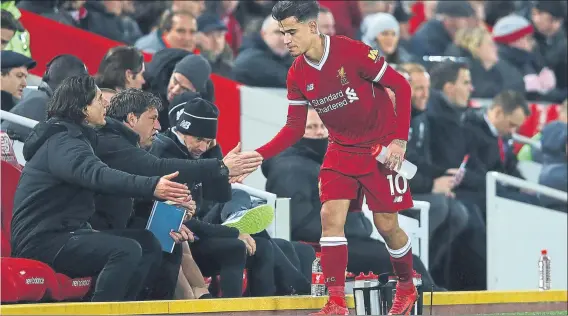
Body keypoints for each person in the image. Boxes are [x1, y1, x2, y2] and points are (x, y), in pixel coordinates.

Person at [235, 1, 416, 314]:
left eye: (291, 32)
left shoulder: (353, 51)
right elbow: (294, 129)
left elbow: (400, 85)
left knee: (387, 226)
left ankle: (406, 286)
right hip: (341, 149)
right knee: (330, 219)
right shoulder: (296, 74)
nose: (286, 39)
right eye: (281, 33)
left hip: (380, 147)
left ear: (313, 27)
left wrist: (400, 140)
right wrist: (257, 155)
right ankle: (336, 301)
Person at [10, 75, 191, 302]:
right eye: (98, 99)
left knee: (147, 243)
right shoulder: (63, 140)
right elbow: (98, 175)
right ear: (83, 108)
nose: (106, 103)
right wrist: (153, 185)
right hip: (41, 241)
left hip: (66, 233)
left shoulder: (79, 138)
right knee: (125, 250)